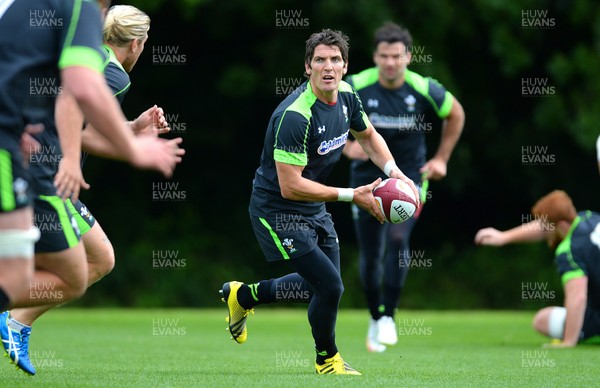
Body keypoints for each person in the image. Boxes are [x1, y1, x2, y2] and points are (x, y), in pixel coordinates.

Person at [220, 29, 420, 375]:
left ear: (345, 66)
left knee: (322, 285)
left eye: (335, 60)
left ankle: (244, 296)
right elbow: (290, 186)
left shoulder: (346, 96)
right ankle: (327, 359)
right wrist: (352, 196)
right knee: (331, 286)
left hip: (312, 204)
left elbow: (369, 137)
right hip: (276, 208)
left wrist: (396, 173)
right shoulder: (296, 116)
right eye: (320, 60)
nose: (328, 67)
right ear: (307, 67)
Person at [0, 0, 182, 374]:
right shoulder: (115, 74)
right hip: (45, 172)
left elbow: (77, 122)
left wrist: (131, 129)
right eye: (145, 42)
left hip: (31, 160)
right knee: (87, 265)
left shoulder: (83, 49)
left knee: (89, 259)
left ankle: (16, 320)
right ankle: (14, 321)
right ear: (136, 44)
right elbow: (70, 101)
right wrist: (77, 157)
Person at [342, 22, 465, 352]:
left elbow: (456, 114)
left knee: (398, 238)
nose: (391, 63)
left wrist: (441, 158)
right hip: (365, 180)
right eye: (384, 56)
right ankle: (374, 315)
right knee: (370, 256)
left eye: (397, 56)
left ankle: (389, 316)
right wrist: (344, 146)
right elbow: (326, 115)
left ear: (408, 57)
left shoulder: (423, 88)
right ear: (375, 56)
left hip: (409, 178)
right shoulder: (354, 85)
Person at [475, 190, 600, 347]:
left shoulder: (569, 250)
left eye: (546, 228)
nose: (545, 233)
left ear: (560, 225)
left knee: (542, 320)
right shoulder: (590, 217)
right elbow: (547, 226)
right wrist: (503, 237)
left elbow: (578, 297)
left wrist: (568, 342)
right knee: (544, 319)